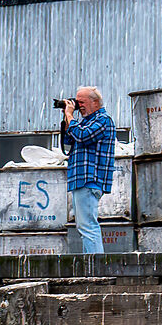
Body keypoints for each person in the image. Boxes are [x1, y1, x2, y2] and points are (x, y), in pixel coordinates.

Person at [59, 86, 116, 254]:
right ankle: (90, 263)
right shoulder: (85, 122)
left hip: (90, 179)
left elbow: (82, 136)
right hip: (80, 179)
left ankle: (96, 265)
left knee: (88, 226)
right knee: (83, 226)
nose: (79, 106)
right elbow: (69, 141)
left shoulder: (103, 120)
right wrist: (66, 118)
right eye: (77, 102)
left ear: (95, 102)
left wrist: (70, 115)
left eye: (82, 102)